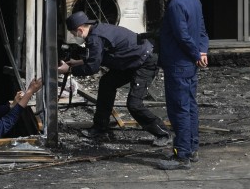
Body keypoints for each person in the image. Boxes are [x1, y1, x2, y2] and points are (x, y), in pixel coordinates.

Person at [59, 11, 171, 146]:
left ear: (80, 30)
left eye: (73, 33)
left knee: (134, 104)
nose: (73, 36)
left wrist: (70, 69)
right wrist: (78, 62)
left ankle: (162, 132)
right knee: (107, 83)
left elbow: (92, 68)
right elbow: (98, 57)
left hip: (145, 61)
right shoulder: (96, 30)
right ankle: (100, 128)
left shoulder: (95, 38)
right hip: (130, 61)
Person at [155, 0, 209, 171]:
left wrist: (195, 53)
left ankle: (181, 155)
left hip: (178, 63)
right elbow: (202, 29)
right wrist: (202, 52)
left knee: (179, 110)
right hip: (190, 64)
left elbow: (182, 36)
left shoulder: (175, 4)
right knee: (190, 107)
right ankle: (192, 149)